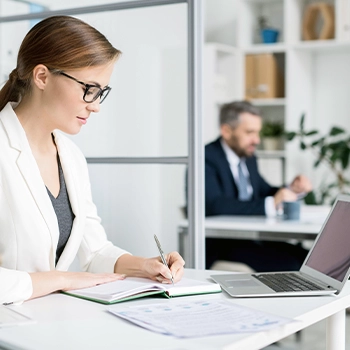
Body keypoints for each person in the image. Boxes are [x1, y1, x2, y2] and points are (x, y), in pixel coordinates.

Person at [0, 16, 185, 305]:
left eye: (102, 93)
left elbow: (95, 251)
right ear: (42, 77)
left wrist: (145, 266)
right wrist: (60, 279)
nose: (96, 106)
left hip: (46, 320)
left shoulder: (70, 156)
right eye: (90, 89)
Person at [205, 100, 312, 271]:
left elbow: (264, 190)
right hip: (222, 244)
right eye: (249, 132)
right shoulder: (206, 158)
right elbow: (215, 204)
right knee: (292, 265)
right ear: (226, 130)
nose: (256, 140)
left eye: (257, 133)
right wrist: (271, 203)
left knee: (308, 257)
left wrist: (291, 189)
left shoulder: (248, 156)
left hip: (253, 239)